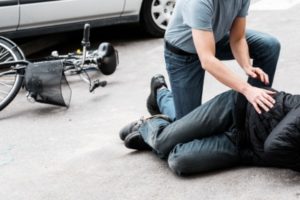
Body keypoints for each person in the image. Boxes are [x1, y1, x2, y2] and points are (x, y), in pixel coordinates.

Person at [120, 75, 300, 176]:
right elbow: (274, 146)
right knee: (162, 142)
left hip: (243, 147)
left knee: (179, 161)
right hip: (235, 109)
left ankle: (156, 133)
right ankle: (153, 113)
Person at [147, 0, 281, 121]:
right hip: (183, 53)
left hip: (212, 39)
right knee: (186, 126)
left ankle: (250, 114)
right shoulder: (198, 2)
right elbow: (207, 60)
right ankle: (161, 94)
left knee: (269, 45)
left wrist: (246, 65)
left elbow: (238, 38)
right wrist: (247, 89)